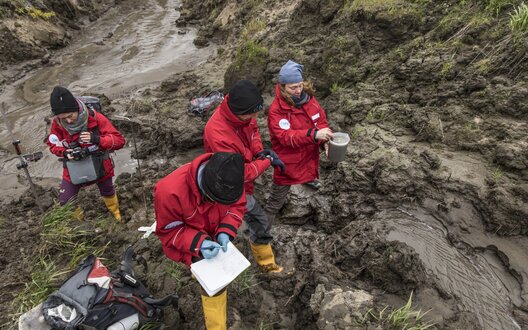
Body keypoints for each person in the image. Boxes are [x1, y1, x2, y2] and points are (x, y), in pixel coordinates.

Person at [154, 152, 246, 330]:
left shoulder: (234, 178)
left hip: (215, 229)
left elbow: (237, 206)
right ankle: (216, 327)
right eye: (213, 199)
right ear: (204, 184)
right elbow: (168, 231)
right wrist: (200, 243)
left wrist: (226, 230)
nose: (215, 202)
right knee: (213, 284)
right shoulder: (168, 192)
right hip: (189, 238)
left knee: (217, 278)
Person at [203, 80, 285, 273]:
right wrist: (267, 162)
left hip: (241, 177)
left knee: (249, 221)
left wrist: (259, 152)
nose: (255, 117)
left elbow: (253, 132)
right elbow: (242, 174)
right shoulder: (217, 134)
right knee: (259, 222)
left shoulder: (245, 114)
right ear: (238, 112)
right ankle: (266, 266)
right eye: (252, 114)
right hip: (228, 186)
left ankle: (257, 255)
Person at [265, 60, 333, 221]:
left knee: (310, 174)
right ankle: (261, 229)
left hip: (308, 156)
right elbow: (285, 137)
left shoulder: (309, 99)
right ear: (282, 87)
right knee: (275, 201)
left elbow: (320, 121)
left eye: (300, 85)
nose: (298, 90)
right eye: (293, 87)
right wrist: (314, 135)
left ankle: (308, 180)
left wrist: (325, 142)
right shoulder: (276, 110)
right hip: (288, 162)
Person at [46, 86, 126, 221]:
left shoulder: (96, 117)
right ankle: (81, 224)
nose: (68, 121)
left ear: (77, 109)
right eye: (63, 118)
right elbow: (52, 144)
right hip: (73, 168)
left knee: (107, 191)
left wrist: (96, 139)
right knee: (65, 200)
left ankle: (116, 214)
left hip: (101, 165)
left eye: (70, 116)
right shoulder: (57, 124)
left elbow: (119, 141)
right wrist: (65, 153)